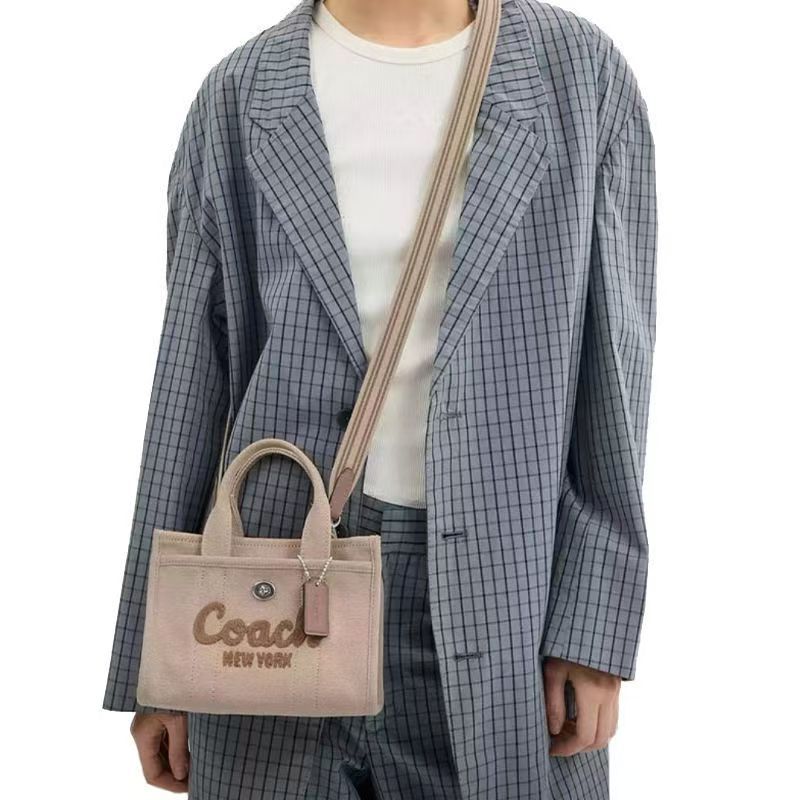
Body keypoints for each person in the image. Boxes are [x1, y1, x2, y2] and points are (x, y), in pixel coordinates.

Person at [103, 0, 657, 798]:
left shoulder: (579, 76)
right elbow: (190, 383)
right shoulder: (240, 95)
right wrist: (156, 664)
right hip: (265, 597)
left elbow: (616, 374)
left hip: (506, 600)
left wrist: (593, 624)